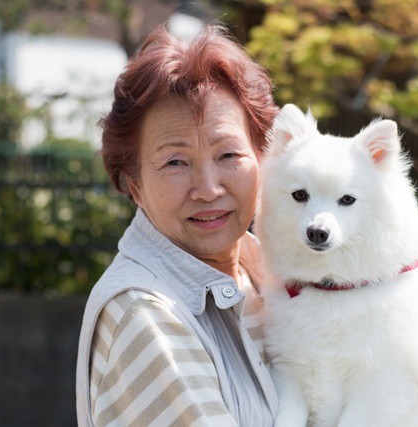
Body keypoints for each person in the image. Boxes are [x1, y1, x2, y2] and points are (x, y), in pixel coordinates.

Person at [76, 23, 279, 426]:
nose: (207, 189)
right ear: (134, 184)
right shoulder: (144, 316)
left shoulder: (267, 276)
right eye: (175, 162)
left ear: (265, 157)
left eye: (229, 155)